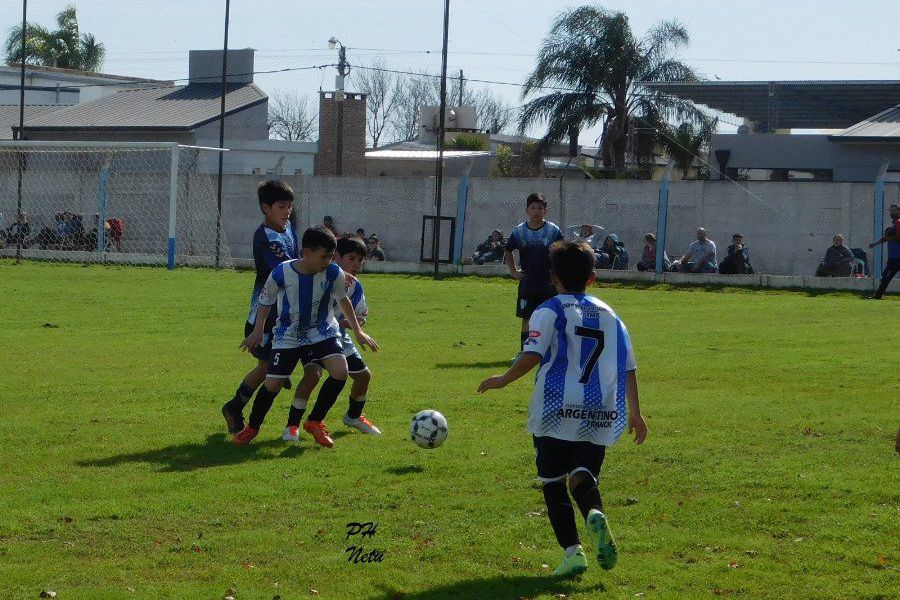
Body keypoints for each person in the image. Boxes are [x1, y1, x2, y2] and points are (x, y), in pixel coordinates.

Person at [477, 240, 647, 578]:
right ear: (593, 277)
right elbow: (628, 367)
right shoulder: (612, 316)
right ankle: (593, 512)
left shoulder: (549, 310)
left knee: (553, 482)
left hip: (555, 408)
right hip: (599, 409)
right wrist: (636, 413)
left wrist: (503, 379)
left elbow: (532, 355)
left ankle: (573, 553)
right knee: (582, 475)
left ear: (553, 277)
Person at [235, 227, 379, 447]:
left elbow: (343, 300)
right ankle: (252, 428)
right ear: (306, 253)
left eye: (331, 257)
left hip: (321, 331)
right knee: (273, 384)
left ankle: (314, 421)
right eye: (324, 257)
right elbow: (265, 301)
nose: (328, 261)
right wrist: (258, 330)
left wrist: (358, 331)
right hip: (288, 334)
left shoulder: (332, 272)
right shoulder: (282, 272)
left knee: (340, 371)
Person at [221, 180, 299, 436]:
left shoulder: (288, 228)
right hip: (265, 314)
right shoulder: (264, 237)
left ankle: (280, 370)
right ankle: (234, 407)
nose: (287, 211)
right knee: (267, 369)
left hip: (286, 312)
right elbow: (286, 270)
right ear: (266, 208)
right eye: (281, 206)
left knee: (274, 369)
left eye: (289, 205)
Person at [285, 235, 381, 441]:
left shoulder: (356, 287)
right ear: (336, 257)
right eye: (351, 258)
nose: (356, 264)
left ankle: (353, 416)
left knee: (364, 376)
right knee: (312, 376)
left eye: (360, 261)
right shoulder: (319, 276)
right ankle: (292, 426)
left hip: (338, 337)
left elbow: (361, 315)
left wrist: (356, 326)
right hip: (310, 335)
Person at [505, 192, 565, 354]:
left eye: (540, 208)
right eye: (533, 208)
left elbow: (563, 253)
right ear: (527, 210)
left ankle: (552, 351)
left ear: (545, 211)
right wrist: (513, 271)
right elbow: (508, 249)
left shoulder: (553, 231)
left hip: (549, 283)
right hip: (528, 283)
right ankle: (524, 352)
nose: (536, 211)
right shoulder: (519, 231)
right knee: (527, 317)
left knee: (552, 316)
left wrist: (560, 276)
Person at [867, 204, 900, 299]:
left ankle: (877, 296)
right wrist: (876, 243)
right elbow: (887, 237)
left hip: (897, 257)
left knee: (885, 277)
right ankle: (877, 296)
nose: (892, 212)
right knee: (885, 277)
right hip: (894, 256)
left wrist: (891, 237)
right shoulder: (894, 223)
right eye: (891, 211)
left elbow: (897, 236)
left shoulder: (898, 222)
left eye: (894, 210)